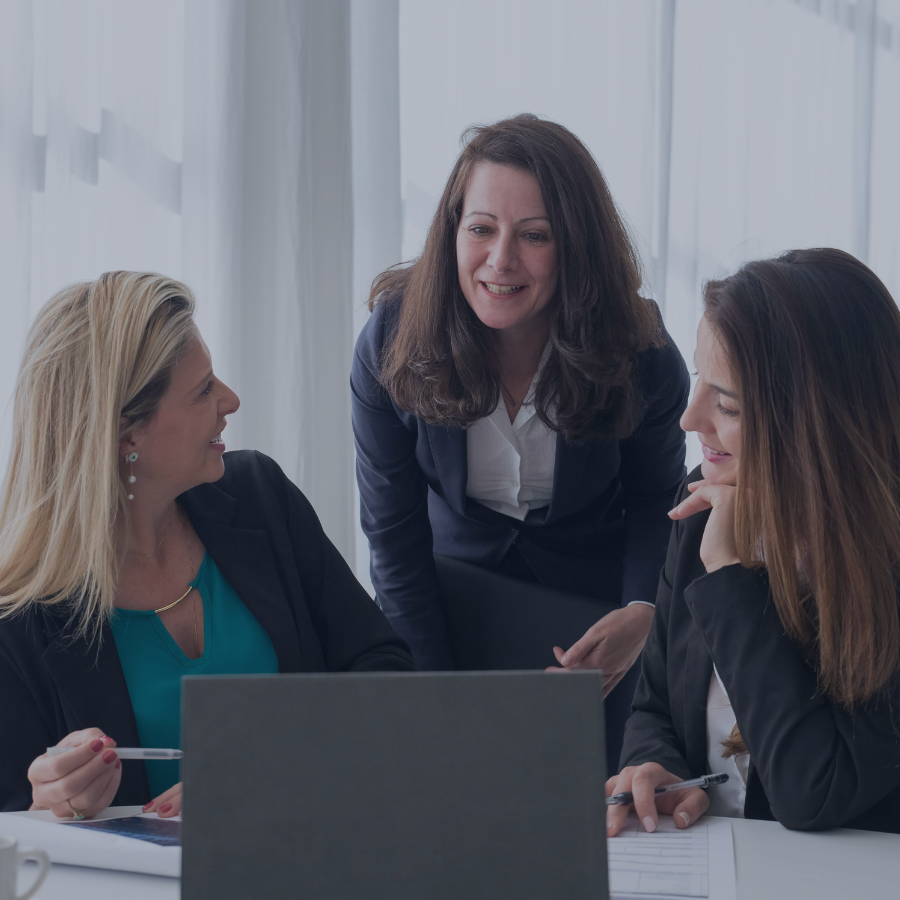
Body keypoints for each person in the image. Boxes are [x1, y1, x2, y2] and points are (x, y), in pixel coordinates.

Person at [0, 272, 414, 819]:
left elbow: (384, 669)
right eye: (203, 390)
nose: (231, 400)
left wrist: (269, 764)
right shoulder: (19, 613)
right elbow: (14, 824)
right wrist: (44, 806)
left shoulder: (261, 497)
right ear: (126, 435)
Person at [352, 114, 690, 767]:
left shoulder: (639, 349)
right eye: (481, 229)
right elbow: (393, 540)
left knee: (597, 815)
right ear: (453, 229)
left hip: (594, 621)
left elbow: (657, 500)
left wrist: (645, 611)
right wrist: (431, 702)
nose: (499, 260)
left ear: (577, 248)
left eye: (534, 236)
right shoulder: (392, 339)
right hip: (445, 602)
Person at [608, 248, 900, 837]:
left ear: (819, 423)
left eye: (729, 404)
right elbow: (655, 703)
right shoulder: (703, 497)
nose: (690, 419)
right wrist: (654, 764)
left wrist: (728, 572)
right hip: (709, 857)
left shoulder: (884, 561)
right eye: (699, 381)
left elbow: (812, 792)